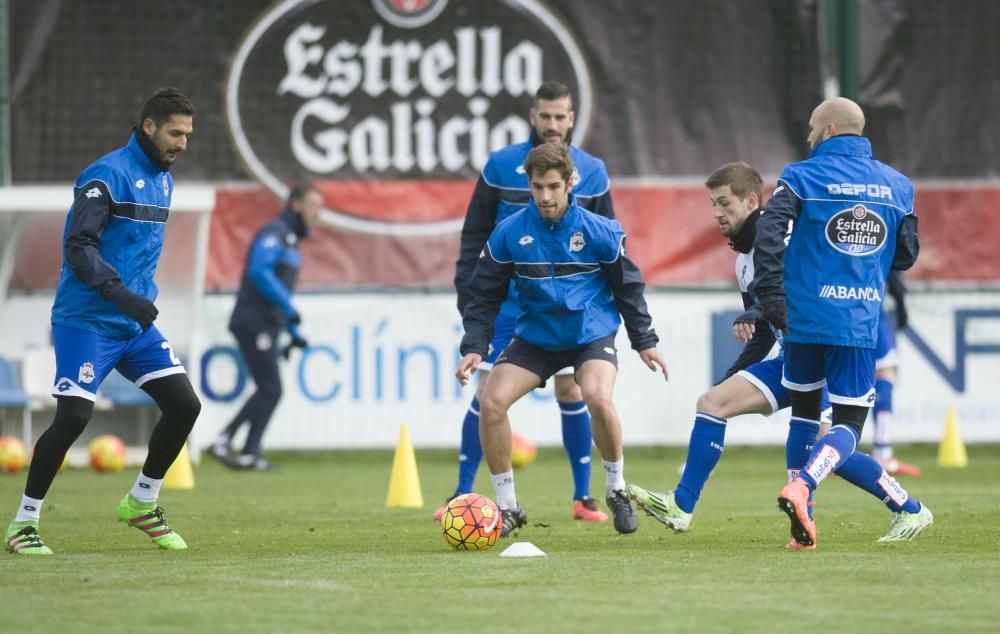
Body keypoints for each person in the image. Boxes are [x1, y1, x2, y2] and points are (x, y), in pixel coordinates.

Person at [627, 162, 926, 549]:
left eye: (723, 203)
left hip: (819, 349)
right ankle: (680, 506)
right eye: (712, 204)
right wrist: (732, 374)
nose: (716, 213)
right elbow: (763, 333)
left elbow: (795, 286)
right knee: (712, 403)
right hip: (791, 358)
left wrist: (755, 311)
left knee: (827, 449)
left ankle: (909, 507)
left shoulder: (786, 237)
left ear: (752, 200)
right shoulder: (742, 261)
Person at [4, 87, 200, 555]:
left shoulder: (164, 181)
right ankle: (23, 524)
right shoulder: (106, 176)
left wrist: (135, 304)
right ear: (149, 126)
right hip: (87, 320)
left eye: (189, 135)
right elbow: (78, 247)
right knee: (74, 416)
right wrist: (122, 295)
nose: (183, 144)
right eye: (175, 133)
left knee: (184, 405)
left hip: (133, 326)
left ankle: (142, 502)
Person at [455, 142, 669, 537]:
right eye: (538, 187)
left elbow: (628, 288)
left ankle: (616, 489)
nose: (546, 196)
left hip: (589, 334)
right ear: (530, 185)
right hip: (536, 338)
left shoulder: (600, 231)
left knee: (598, 398)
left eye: (554, 186)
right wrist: (474, 346)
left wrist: (644, 340)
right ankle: (508, 508)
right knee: (492, 402)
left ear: (571, 182)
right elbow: (484, 296)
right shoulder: (509, 233)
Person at [752, 97, 932, 547]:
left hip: (802, 317)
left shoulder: (799, 176)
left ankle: (804, 525)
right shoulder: (898, 186)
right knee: (849, 423)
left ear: (831, 129)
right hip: (856, 320)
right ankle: (803, 487)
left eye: (813, 128)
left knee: (804, 417)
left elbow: (769, 234)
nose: (808, 136)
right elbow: (907, 255)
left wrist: (771, 294)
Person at [442, 80, 616, 523]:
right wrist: (470, 299)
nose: (553, 124)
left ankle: (583, 498)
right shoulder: (501, 167)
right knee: (488, 393)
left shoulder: (593, 171)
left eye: (561, 116)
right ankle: (462, 495)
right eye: (546, 116)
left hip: (567, 306)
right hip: (508, 304)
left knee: (572, 387)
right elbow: (474, 235)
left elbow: (610, 246)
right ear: (532, 116)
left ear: (572, 119)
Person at [208, 183, 322, 471]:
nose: (317, 213)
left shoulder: (292, 239)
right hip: (252, 321)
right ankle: (225, 439)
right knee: (270, 388)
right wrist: (289, 308)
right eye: (313, 206)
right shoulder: (275, 233)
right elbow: (259, 272)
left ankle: (248, 452)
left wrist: (294, 332)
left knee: (269, 389)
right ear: (295, 204)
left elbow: (277, 293)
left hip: (266, 323)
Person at [871, 272, 921, 475]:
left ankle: (825, 451)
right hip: (868, 305)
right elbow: (894, 263)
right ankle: (883, 453)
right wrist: (901, 305)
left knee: (827, 373)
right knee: (885, 372)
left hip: (826, 302)